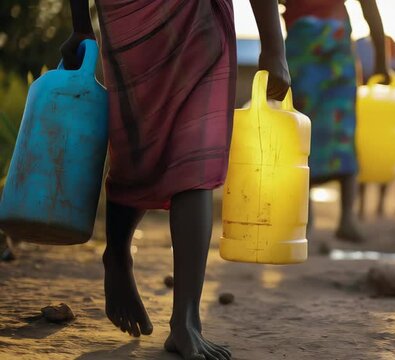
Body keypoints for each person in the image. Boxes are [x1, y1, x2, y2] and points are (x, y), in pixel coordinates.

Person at [61, 1, 290, 359]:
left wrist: (274, 47)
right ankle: (118, 254)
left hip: (197, 18)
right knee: (136, 143)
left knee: (194, 154)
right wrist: (80, 26)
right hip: (131, 15)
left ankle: (186, 318)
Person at [281, 0, 390, 242]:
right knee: (319, 130)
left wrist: (382, 59)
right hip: (316, 46)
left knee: (321, 130)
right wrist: (381, 60)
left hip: (312, 47)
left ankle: (339, 219)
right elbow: (370, 9)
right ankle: (324, 217)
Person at [355, 35, 395, 218]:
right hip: (376, 124)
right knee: (373, 162)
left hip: (374, 124)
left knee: (372, 161)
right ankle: (370, 207)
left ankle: (370, 207)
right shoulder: (365, 48)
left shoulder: (363, 49)